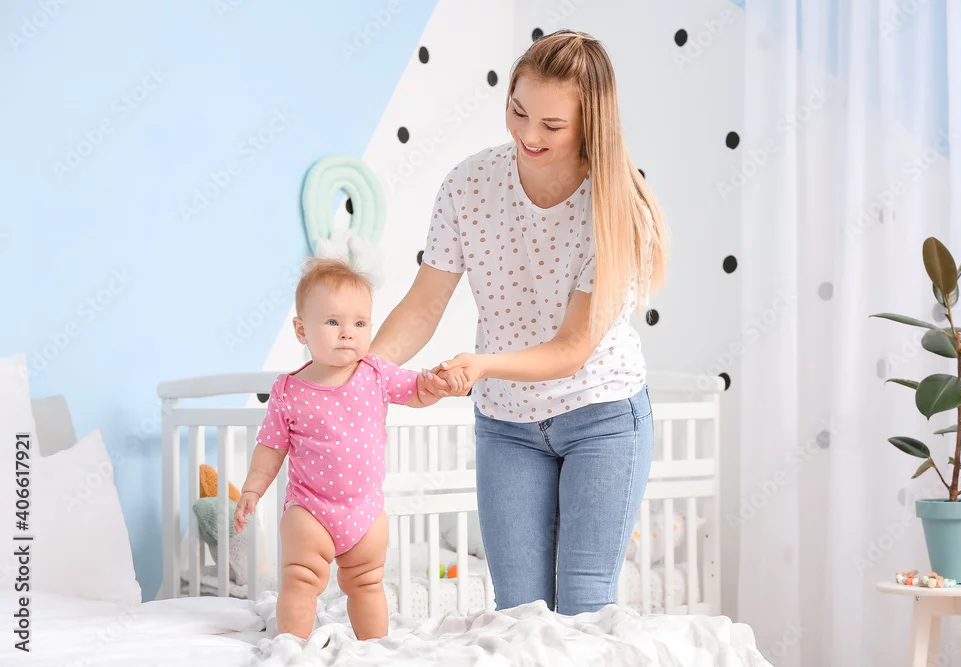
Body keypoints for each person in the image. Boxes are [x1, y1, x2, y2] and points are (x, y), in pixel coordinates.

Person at [369, 30, 669, 616]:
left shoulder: (618, 210)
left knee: (584, 604)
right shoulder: (468, 185)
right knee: (518, 613)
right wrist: (364, 374)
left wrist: (479, 365)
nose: (528, 134)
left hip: (601, 415)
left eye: (552, 125)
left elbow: (573, 347)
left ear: (590, 126)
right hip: (507, 424)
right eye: (518, 111)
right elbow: (424, 304)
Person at [233, 258, 445, 640]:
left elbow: (416, 391)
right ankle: (292, 648)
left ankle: (374, 649)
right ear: (302, 330)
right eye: (333, 322)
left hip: (365, 511)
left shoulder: (376, 373)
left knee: (367, 582)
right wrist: (252, 489)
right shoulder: (288, 390)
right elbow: (270, 447)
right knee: (300, 579)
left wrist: (435, 386)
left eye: (360, 323)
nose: (348, 333)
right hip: (309, 509)